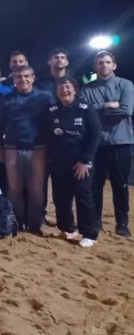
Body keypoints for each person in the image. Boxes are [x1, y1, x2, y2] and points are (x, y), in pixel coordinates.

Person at [0, 64, 52, 234]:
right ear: (14, 79)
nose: (23, 79)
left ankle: (35, 225)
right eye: (19, 77)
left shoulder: (45, 97)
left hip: (37, 149)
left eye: (26, 76)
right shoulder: (6, 99)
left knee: (36, 190)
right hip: (12, 149)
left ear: (33, 78)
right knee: (14, 190)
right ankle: (16, 223)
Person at [80, 50, 134, 237]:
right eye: (100, 63)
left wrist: (97, 113)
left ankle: (122, 223)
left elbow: (126, 111)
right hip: (96, 144)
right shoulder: (87, 89)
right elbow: (85, 112)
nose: (104, 65)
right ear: (95, 67)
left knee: (120, 185)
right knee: (95, 185)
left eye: (107, 62)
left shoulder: (125, 84)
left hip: (121, 142)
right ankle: (95, 221)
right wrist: (107, 106)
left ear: (114, 65)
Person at [47, 78, 101, 246]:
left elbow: (95, 135)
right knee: (60, 196)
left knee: (83, 196)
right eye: (60, 88)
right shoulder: (52, 110)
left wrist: (85, 160)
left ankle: (89, 233)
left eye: (67, 87)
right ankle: (68, 228)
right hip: (59, 161)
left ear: (75, 89)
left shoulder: (85, 108)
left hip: (81, 162)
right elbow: (47, 136)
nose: (64, 90)